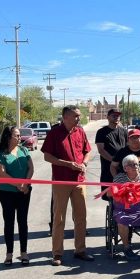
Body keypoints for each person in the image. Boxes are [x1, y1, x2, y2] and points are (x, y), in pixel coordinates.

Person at [42, 105, 93, 266]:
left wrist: (84, 163)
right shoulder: (54, 133)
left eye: (79, 115)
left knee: (81, 217)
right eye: (75, 116)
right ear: (65, 117)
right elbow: (47, 156)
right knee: (59, 218)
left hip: (79, 180)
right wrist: (67, 164)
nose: (78, 118)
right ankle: (57, 253)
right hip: (61, 181)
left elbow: (87, 151)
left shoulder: (80, 132)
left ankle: (80, 250)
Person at [0, 126, 34, 266]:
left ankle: (24, 253)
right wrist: (17, 184)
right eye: (17, 135)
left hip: (24, 192)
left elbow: (31, 168)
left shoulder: (24, 150)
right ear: (8, 137)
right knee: (9, 223)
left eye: (19, 135)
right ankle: (9, 254)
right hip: (7, 193)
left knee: (23, 222)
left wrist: (26, 184)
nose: (19, 137)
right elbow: (1, 173)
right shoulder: (0, 154)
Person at [107, 154, 140, 260]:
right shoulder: (119, 178)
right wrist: (123, 192)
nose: (135, 166)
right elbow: (110, 194)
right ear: (125, 168)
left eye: (137, 164)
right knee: (121, 219)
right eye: (132, 164)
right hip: (123, 208)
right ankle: (126, 248)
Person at [95, 108, 128, 197]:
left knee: (124, 194)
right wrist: (114, 161)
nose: (116, 117)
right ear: (108, 117)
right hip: (108, 168)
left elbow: (128, 147)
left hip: (123, 168)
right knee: (110, 195)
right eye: (114, 115)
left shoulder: (124, 131)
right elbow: (101, 150)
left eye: (118, 116)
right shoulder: (101, 132)